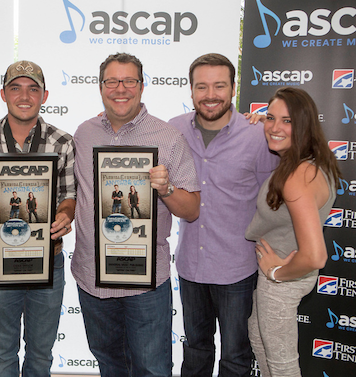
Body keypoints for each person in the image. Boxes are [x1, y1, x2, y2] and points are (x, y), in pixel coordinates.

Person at [71, 52, 200, 377]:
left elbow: (192, 209)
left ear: (142, 86)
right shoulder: (83, 134)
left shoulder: (168, 138)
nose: (120, 88)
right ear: (101, 87)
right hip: (92, 279)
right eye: (112, 81)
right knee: (109, 365)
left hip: (143, 284)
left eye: (129, 80)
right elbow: (75, 195)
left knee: (152, 369)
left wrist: (167, 189)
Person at [0, 60, 75, 377]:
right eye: (16, 88)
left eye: (32, 89)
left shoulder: (63, 143)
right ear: (3, 94)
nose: (24, 96)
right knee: (2, 352)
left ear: (45, 95)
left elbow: (70, 195)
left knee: (41, 354)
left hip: (47, 260)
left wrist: (65, 216)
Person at [168, 53, 278, 377]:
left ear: (232, 88)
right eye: (202, 86)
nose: (211, 94)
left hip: (238, 271)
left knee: (235, 357)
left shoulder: (258, 136)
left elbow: (274, 200)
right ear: (190, 90)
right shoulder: (173, 131)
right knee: (196, 351)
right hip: (191, 266)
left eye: (219, 85)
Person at [245, 87, 339, 377]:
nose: (274, 127)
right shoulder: (309, 161)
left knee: (282, 366)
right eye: (271, 118)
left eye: (287, 121)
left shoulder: (298, 175)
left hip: (284, 278)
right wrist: (263, 120)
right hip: (282, 277)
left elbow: (315, 256)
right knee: (261, 344)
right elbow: (277, 128)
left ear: (303, 124)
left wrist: (276, 275)